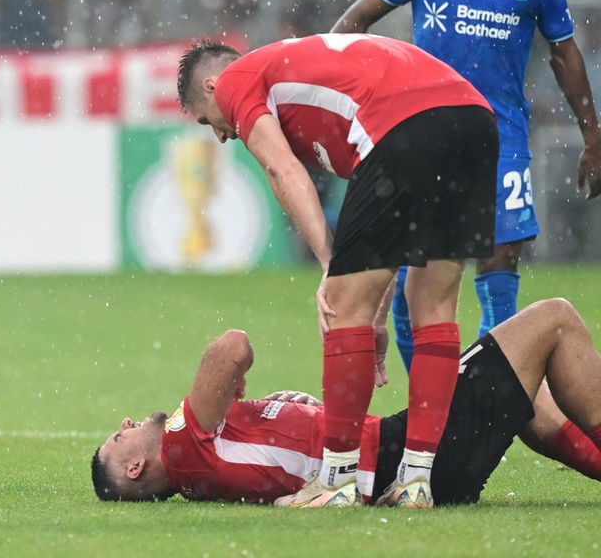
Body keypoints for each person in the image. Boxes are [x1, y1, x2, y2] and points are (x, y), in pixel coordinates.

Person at [175, 35, 496, 507]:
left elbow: (282, 170)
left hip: (404, 122)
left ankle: (337, 480)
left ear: (211, 83)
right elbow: (394, 231)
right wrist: (378, 315)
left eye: (207, 120)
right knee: (434, 304)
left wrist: (332, 263)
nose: (220, 134)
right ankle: (415, 481)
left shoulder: (235, 81)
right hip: (474, 120)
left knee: (342, 307)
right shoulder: (307, 89)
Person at [332, 0, 601, 367]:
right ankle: (436, 413)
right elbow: (351, 27)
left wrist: (593, 135)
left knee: (499, 272)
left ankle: (489, 406)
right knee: (414, 283)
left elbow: (564, 54)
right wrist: (354, 106)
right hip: (424, 140)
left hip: (502, 137)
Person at [90, 297, 601, 506]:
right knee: (553, 318)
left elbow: (275, 452)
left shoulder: (204, 466)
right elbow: (232, 345)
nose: (128, 422)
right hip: (410, 459)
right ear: (136, 467)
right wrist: (234, 378)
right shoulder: (183, 447)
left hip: (405, 460)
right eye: (121, 435)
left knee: (523, 394)